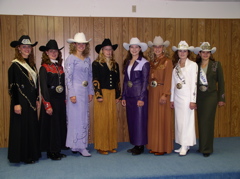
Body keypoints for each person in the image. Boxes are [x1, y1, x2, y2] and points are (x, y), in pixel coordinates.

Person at [8, 35, 41, 164]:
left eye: (29, 47)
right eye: (24, 47)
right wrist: (16, 103)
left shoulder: (32, 65)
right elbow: (13, 86)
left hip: (32, 102)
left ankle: (31, 154)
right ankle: (22, 156)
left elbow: (36, 84)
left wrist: (37, 98)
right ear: (19, 48)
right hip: (21, 101)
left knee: (31, 127)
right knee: (21, 129)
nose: (27, 49)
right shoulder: (15, 65)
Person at [65, 32, 94, 157]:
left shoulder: (87, 59)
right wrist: (71, 93)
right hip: (75, 91)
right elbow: (68, 78)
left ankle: (81, 145)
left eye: (83, 44)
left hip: (85, 90)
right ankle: (76, 145)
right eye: (79, 44)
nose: (81, 46)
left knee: (83, 118)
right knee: (75, 118)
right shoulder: (71, 59)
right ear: (74, 45)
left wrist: (91, 91)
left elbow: (90, 76)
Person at [194, 42, 225, 157]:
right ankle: (202, 146)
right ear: (200, 53)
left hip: (211, 97)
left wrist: (221, 98)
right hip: (199, 97)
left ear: (210, 53)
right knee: (201, 122)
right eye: (203, 52)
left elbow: (221, 82)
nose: (205, 54)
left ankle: (207, 149)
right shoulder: (195, 66)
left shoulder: (216, 65)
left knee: (208, 121)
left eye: (208, 52)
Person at [39, 40, 67, 160]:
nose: (54, 53)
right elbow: (43, 87)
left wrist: (65, 100)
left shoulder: (60, 67)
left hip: (60, 100)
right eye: (51, 51)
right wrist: (47, 104)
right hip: (50, 100)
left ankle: (58, 149)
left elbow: (64, 85)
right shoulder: (44, 68)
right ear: (46, 52)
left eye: (55, 51)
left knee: (59, 126)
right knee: (51, 127)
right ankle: (51, 151)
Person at [92, 38, 121, 155]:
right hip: (102, 94)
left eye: (110, 50)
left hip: (112, 93)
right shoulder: (96, 64)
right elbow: (95, 79)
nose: (109, 52)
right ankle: (101, 146)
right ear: (101, 51)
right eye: (106, 50)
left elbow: (117, 81)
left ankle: (110, 145)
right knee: (101, 120)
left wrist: (118, 96)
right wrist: (98, 94)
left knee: (111, 120)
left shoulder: (115, 64)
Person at [122, 37, 150, 155]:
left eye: (136, 47)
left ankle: (140, 145)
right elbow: (125, 81)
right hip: (129, 96)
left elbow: (145, 82)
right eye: (132, 47)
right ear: (129, 49)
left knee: (139, 121)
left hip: (139, 95)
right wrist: (123, 96)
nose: (134, 49)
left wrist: (142, 98)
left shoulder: (144, 62)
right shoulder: (128, 62)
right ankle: (135, 144)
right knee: (132, 121)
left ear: (140, 49)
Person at [146, 36, 173, 155]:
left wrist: (165, 94)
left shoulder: (168, 61)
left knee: (162, 119)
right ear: (152, 49)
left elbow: (168, 79)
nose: (157, 49)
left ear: (163, 48)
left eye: (159, 47)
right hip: (152, 92)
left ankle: (162, 147)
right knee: (153, 119)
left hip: (162, 91)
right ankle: (154, 145)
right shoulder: (151, 62)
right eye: (155, 47)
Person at [170, 41, 198, 156]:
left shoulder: (192, 65)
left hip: (187, 97)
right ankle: (182, 143)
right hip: (177, 97)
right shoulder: (175, 66)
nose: (182, 53)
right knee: (179, 122)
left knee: (187, 121)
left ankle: (185, 145)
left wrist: (193, 100)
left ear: (188, 52)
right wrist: (172, 99)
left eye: (184, 51)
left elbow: (194, 83)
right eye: (180, 51)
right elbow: (173, 84)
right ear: (178, 52)